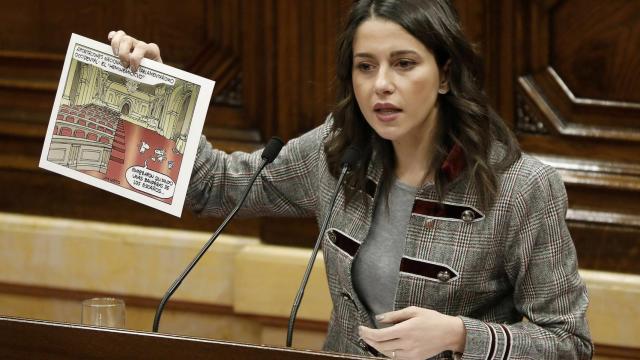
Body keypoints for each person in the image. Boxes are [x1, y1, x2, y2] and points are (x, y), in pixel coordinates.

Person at [108, 0, 593, 358]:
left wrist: (461, 335)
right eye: (366, 66)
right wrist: (157, 90)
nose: (381, 83)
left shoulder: (522, 188)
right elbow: (215, 186)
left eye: (404, 64)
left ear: (444, 76)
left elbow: (569, 342)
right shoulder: (336, 153)